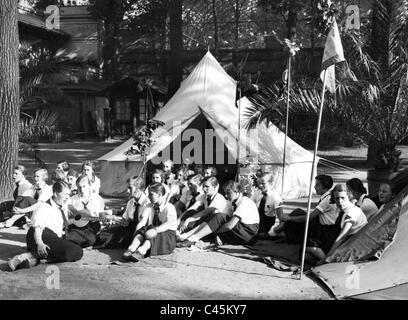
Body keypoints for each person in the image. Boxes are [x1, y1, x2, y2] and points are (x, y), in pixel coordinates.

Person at [7, 181, 83, 271]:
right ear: (55, 193)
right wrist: (40, 243)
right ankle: (29, 256)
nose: (67, 197)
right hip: (39, 235)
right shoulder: (43, 207)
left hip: (53, 238)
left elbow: (62, 223)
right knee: (74, 250)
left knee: (77, 252)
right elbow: (38, 228)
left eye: (69, 194)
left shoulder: (63, 206)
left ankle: (34, 257)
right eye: (65, 194)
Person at [177, 181, 259, 247]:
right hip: (239, 230)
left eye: (228, 193)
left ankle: (192, 239)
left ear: (236, 192)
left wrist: (216, 233)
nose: (226, 196)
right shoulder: (233, 202)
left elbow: (229, 225)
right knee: (215, 215)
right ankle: (188, 236)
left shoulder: (244, 202)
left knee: (219, 217)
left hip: (248, 233)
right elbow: (217, 220)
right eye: (225, 193)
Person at [305, 184, 367, 266]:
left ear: (349, 197)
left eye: (343, 198)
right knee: (305, 253)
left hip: (354, 243)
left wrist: (325, 259)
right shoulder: (342, 209)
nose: (340, 201)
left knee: (308, 252)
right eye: (337, 198)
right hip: (346, 239)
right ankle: (325, 258)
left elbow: (341, 237)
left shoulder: (352, 212)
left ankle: (327, 261)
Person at [123, 183, 177, 262]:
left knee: (153, 232)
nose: (148, 197)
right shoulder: (149, 205)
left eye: (151, 194)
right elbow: (142, 221)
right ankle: (131, 249)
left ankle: (141, 252)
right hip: (152, 231)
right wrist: (136, 232)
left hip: (167, 235)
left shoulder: (169, 207)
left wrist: (155, 230)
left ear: (159, 194)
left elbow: (168, 223)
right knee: (144, 228)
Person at [96, 177, 149, 249]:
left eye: (130, 188)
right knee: (104, 234)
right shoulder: (131, 202)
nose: (127, 191)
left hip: (141, 231)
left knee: (116, 240)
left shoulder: (147, 203)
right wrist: (113, 220)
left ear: (139, 188)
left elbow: (143, 224)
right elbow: (124, 220)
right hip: (130, 228)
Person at [282, 175, 337, 244]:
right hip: (324, 226)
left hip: (325, 230)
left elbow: (310, 217)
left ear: (325, 186)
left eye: (317, 185)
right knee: (298, 213)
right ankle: (281, 231)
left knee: (297, 214)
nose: (314, 187)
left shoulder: (327, 199)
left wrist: (289, 218)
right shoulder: (328, 196)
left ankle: (279, 232)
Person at [65, 175, 108, 247]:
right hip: (76, 227)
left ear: (89, 186)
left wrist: (105, 219)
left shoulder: (96, 198)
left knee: (91, 239)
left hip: (91, 226)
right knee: (72, 237)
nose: (82, 189)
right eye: (79, 187)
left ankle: (80, 241)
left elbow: (101, 212)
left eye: (84, 186)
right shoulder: (72, 199)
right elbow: (66, 210)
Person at [252, 173, 283, 239]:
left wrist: (272, 231)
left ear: (271, 184)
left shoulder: (275, 197)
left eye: (263, 183)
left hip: (268, 224)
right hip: (256, 222)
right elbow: (249, 205)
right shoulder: (258, 193)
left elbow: (281, 218)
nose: (260, 185)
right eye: (259, 183)